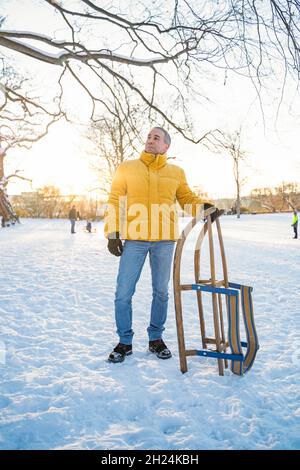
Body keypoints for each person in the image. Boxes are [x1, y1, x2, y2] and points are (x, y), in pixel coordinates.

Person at [104, 127, 221, 363]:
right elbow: (115, 200)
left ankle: (155, 338)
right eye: (148, 136)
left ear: (166, 146)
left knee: (161, 292)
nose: (150, 140)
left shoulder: (176, 172)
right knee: (123, 293)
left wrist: (203, 207)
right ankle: (124, 342)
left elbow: (187, 198)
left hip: (164, 241)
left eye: (155, 138)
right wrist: (113, 233)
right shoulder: (127, 168)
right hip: (134, 239)